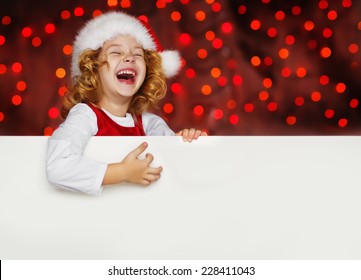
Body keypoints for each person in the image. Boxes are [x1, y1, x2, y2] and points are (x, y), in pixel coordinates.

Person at [46, 11, 206, 195]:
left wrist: (186, 141)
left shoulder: (149, 123)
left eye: (137, 55)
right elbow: (58, 165)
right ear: (93, 68)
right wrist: (123, 172)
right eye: (116, 52)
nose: (129, 58)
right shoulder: (85, 115)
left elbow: (174, 163)